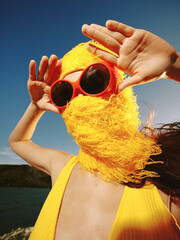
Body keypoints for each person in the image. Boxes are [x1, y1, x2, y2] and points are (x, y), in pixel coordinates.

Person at [9, 20, 180, 240]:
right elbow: (18, 142)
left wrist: (174, 67)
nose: (78, 97)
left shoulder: (166, 180)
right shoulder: (63, 167)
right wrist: (35, 106)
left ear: (120, 87)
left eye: (93, 80)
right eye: (64, 93)